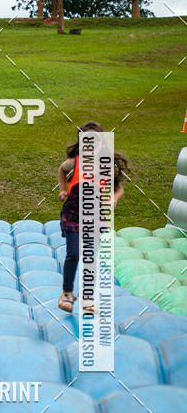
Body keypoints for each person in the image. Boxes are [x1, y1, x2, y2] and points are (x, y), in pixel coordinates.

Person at [57, 121, 128, 313]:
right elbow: (62, 170)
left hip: (94, 217)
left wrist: (113, 198)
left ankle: (88, 300)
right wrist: (63, 189)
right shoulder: (75, 163)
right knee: (73, 253)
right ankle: (67, 293)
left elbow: (118, 188)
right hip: (73, 215)